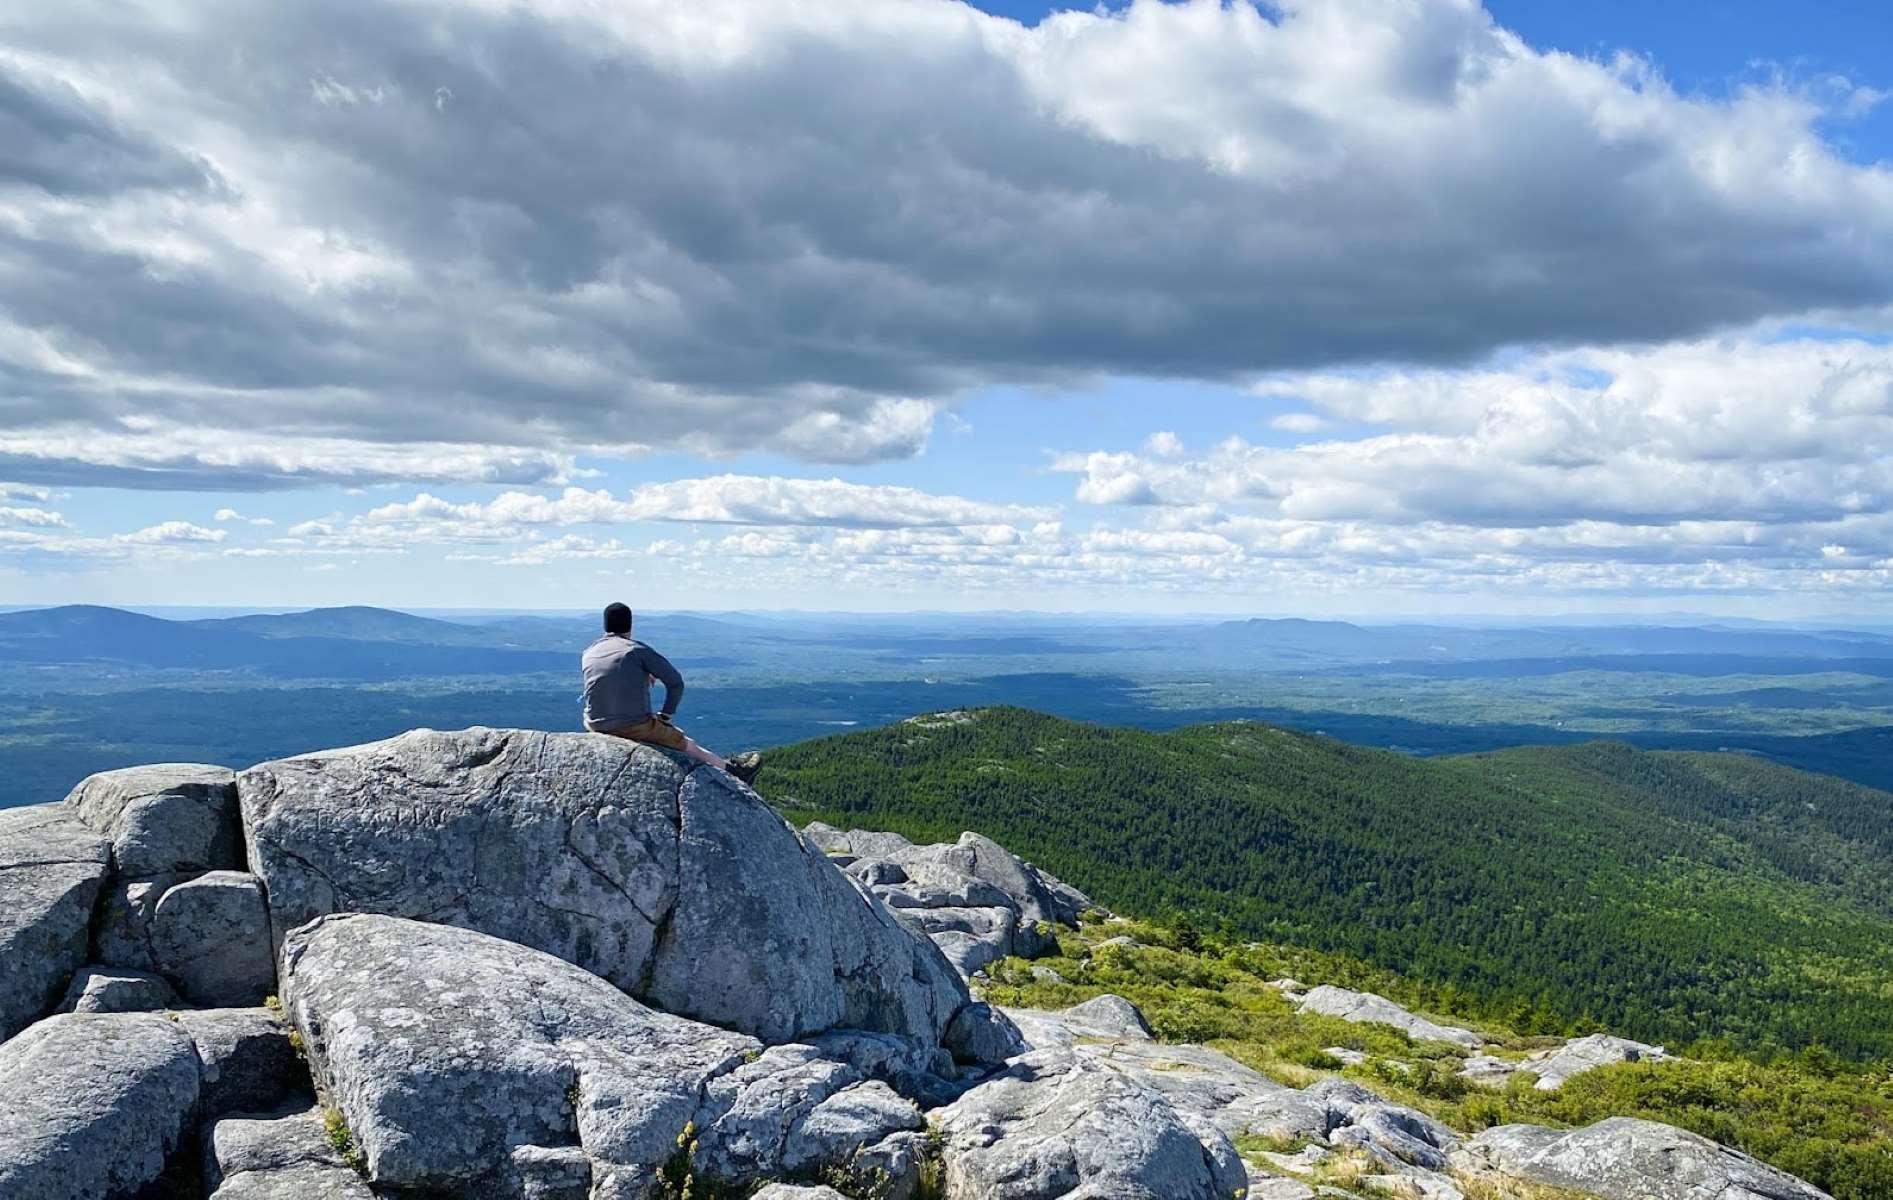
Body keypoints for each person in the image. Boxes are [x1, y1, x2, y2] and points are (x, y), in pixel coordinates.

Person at [581, 602, 760, 784]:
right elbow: (676, 683)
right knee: (686, 743)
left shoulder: (589, 652)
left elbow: (608, 681)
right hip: (631, 725)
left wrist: (639, 673)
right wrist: (665, 716)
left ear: (605, 625)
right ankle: (736, 773)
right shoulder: (636, 650)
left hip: (594, 724)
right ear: (630, 625)